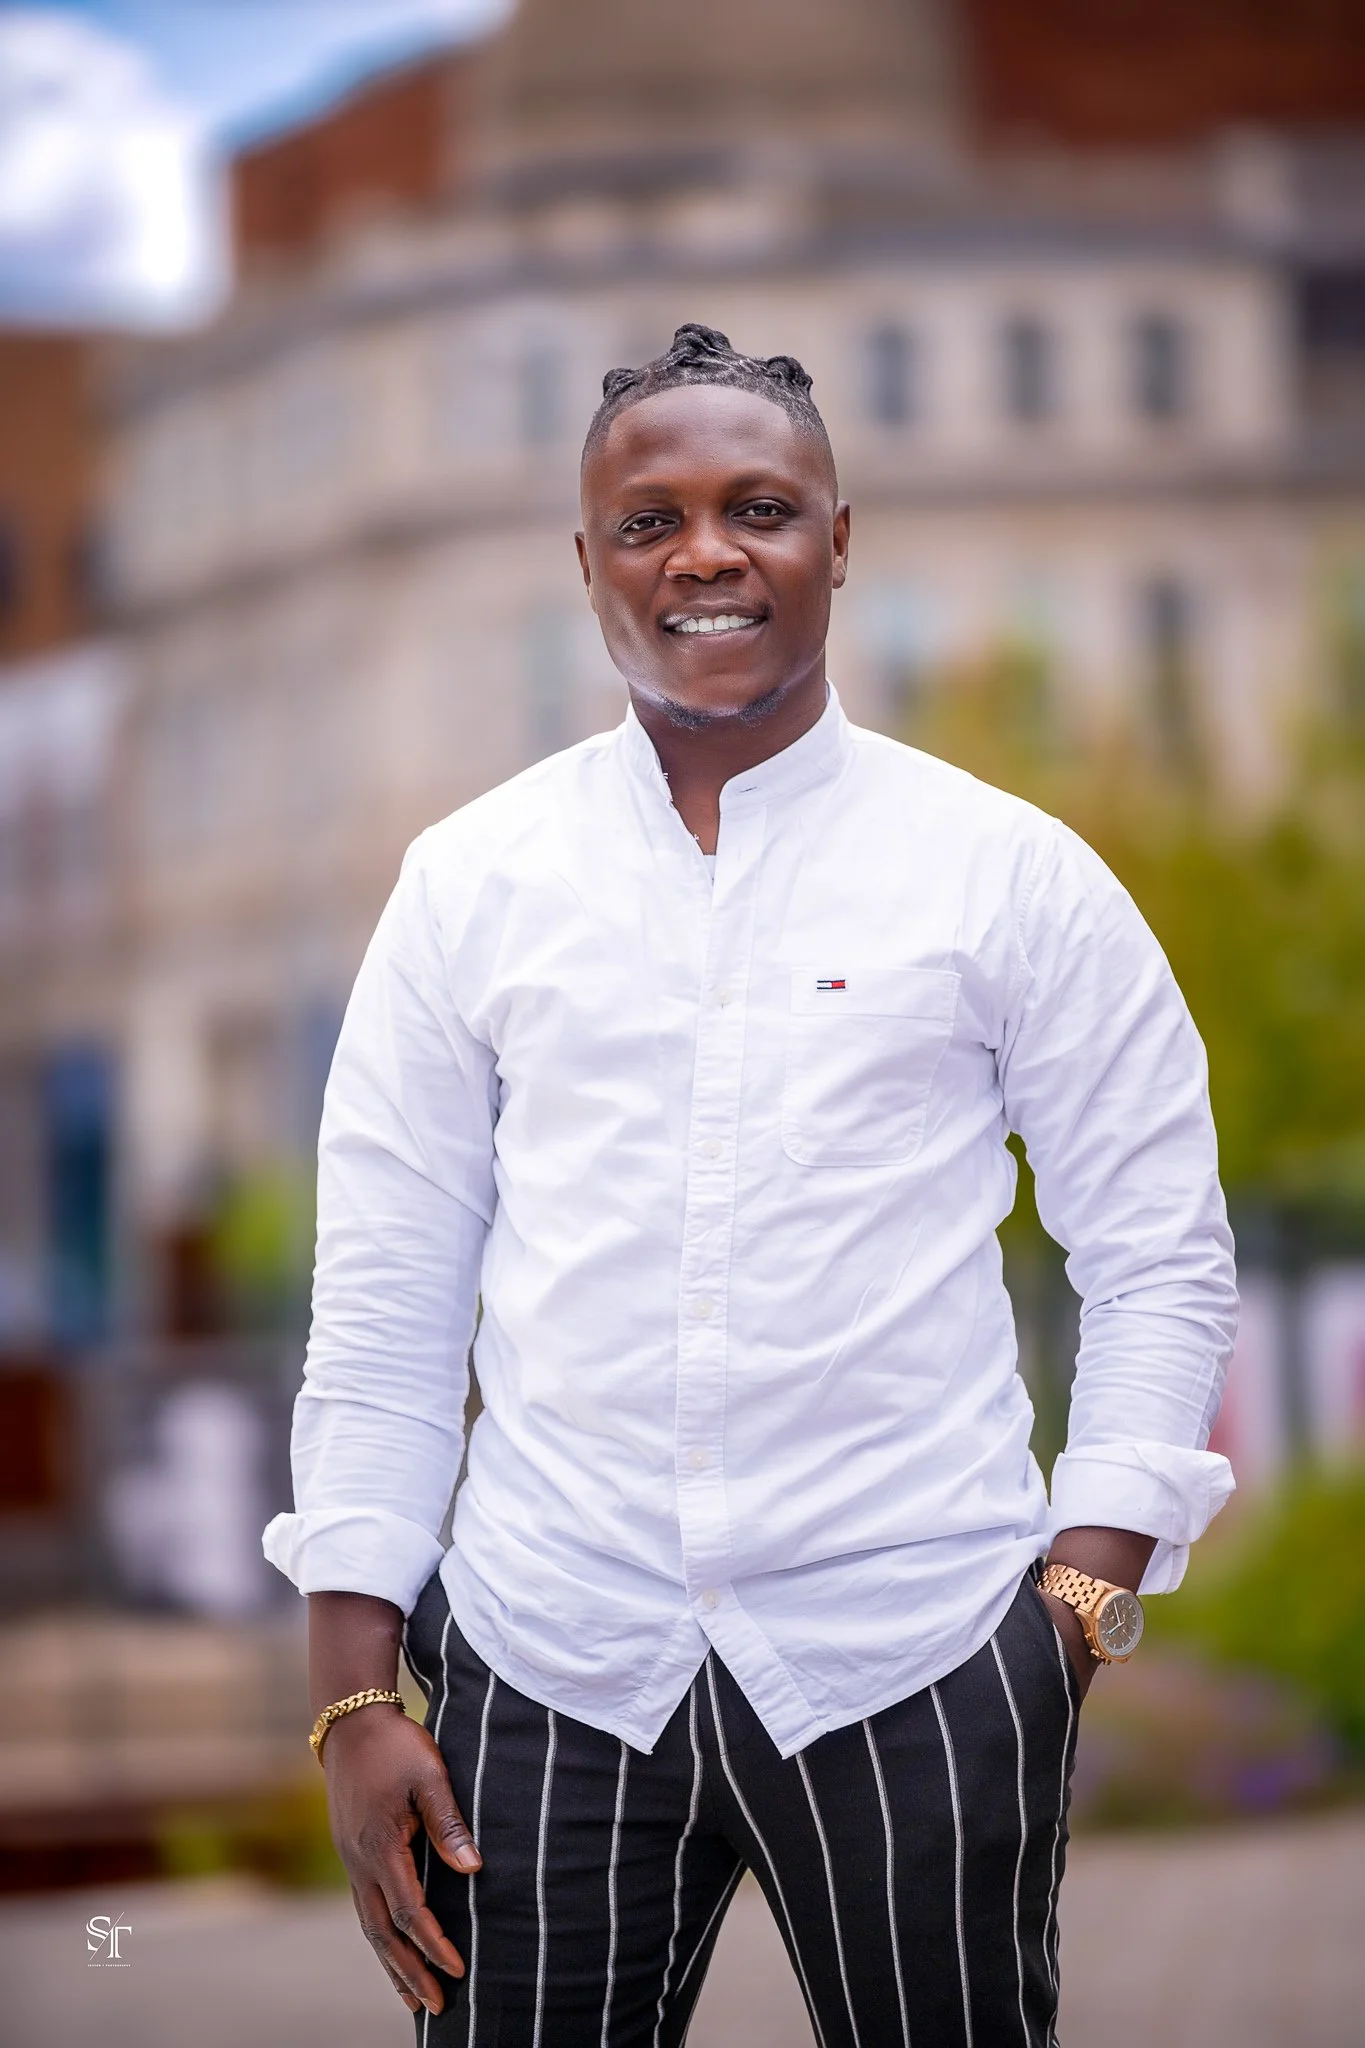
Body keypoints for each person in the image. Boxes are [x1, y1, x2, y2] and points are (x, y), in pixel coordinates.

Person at [263, 322, 1237, 2046]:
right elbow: (390, 1292)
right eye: (649, 522)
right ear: (588, 566)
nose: (703, 554)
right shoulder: (470, 884)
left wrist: (1076, 1608)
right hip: (546, 1667)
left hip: (918, 1655)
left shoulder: (1010, 877)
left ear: (838, 543)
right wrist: (353, 1696)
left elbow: (1158, 1253)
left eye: (759, 507)